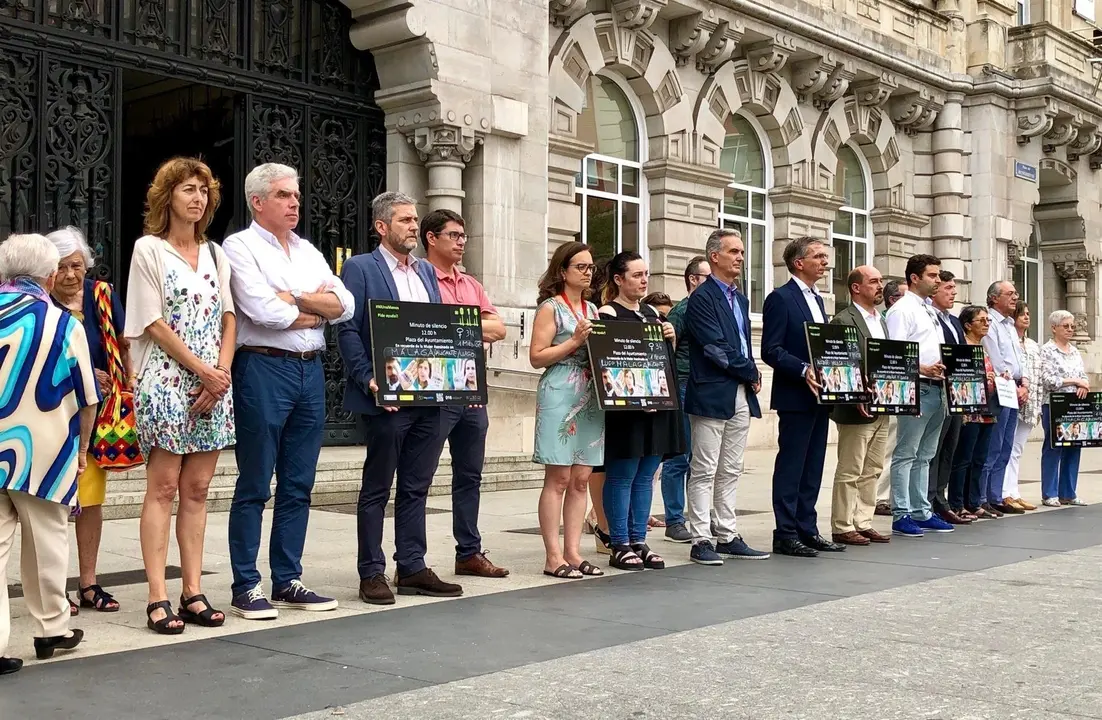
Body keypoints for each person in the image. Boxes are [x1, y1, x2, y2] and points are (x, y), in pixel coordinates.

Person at [222, 162, 353, 620]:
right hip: (263, 368)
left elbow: (345, 304)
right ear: (257, 201)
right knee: (255, 481)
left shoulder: (307, 250)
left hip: (309, 370)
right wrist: (314, 308)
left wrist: (293, 298)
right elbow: (262, 311)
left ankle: (287, 579)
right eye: (283, 195)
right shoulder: (239, 247)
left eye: (295, 194)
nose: (295, 202)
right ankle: (246, 584)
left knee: (299, 482)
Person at [125, 157, 235, 634]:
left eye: (203, 190)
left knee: (198, 489)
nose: (198, 197)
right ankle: (157, 594)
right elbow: (152, 321)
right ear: (167, 196)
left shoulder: (215, 253)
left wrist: (221, 373)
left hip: (214, 385)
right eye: (188, 188)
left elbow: (230, 316)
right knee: (164, 487)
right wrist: (202, 371)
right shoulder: (149, 249)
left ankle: (193, 590)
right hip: (168, 381)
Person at [338, 191, 461, 604]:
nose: (414, 226)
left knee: (416, 485)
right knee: (377, 487)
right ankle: (371, 571)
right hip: (386, 398)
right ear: (382, 226)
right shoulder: (360, 268)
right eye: (405, 220)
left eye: (415, 219)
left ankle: (411, 566)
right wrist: (367, 377)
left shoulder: (425, 272)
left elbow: (437, 330)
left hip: (429, 396)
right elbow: (348, 328)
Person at [0, 233, 99, 674]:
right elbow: (88, 396)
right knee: (47, 542)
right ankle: (51, 629)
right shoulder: (62, 324)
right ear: (50, 275)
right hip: (44, 450)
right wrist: (82, 449)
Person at [46, 227, 130, 615]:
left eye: (76, 265)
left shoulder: (102, 295)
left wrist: (125, 380)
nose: (69, 274)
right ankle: (53, 588)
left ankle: (89, 584)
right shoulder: (40, 301)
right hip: (54, 414)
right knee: (53, 505)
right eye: (61, 267)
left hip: (98, 419)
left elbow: (124, 345)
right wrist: (79, 374)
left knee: (91, 501)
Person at [421, 208, 510, 578]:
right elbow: (423, 326)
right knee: (419, 475)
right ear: (431, 238)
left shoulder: (470, 284)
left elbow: (499, 329)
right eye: (454, 235)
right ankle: (411, 560)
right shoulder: (418, 277)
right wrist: (470, 324)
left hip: (471, 387)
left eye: (463, 236)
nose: (461, 242)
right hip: (433, 386)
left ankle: (469, 552)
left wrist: (454, 323)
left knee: (470, 474)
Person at [683, 229, 768, 565]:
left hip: (740, 392)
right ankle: (700, 538)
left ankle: (727, 534)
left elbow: (742, 343)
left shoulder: (740, 299)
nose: (741, 258)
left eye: (742, 252)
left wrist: (750, 373)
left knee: (731, 468)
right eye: (734, 251)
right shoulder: (702, 298)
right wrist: (751, 371)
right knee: (704, 468)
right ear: (714, 256)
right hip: (711, 391)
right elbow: (715, 348)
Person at [597, 251, 683, 571]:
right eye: (637, 275)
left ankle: (638, 539)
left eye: (646, 274)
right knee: (623, 474)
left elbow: (662, 361)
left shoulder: (651, 314)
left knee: (646, 475)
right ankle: (618, 542)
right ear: (619, 279)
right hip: (627, 409)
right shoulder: (607, 313)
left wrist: (671, 339)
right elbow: (607, 362)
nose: (644, 280)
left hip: (657, 405)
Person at [761, 237, 844, 557]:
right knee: (792, 465)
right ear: (798, 263)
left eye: (825, 256)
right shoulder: (780, 298)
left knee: (813, 465)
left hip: (820, 396)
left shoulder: (818, 299)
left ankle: (807, 528)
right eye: (818, 256)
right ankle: (785, 533)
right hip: (795, 394)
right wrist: (803, 369)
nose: (825, 262)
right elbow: (771, 349)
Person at [529, 241, 605, 579]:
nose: (588, 273)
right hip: (560, 390)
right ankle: (553, 556)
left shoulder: (593, 309)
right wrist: (573, 341)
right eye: (581, 267)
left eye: (591, 267)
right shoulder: (551, 308)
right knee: (558, 478)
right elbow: (536, 357)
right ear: (563, 271)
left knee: (581, 478)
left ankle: (573, 552)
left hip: (590, 394)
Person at [885, 254, 955, 538]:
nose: (937, 280)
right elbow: (894, 353)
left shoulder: (929, 310)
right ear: (915, 278)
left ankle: (921, 510)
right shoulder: (902, 310)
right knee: (906, 452)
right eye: (932, 275)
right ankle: (901, 512)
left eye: (938, 275)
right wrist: (922, 368)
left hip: (937, 386)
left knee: (925, 454)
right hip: (917, 386)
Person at [828, 265, 892, 546]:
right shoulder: (844, 320)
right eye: (874, 281)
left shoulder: (881, 320)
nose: (880, 286)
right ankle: (842, 525)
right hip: (856, 408)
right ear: (856, 288)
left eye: (881, 281)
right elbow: (840, 363)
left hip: (882, 404)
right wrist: (856, 396)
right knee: (850, 469)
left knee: (873, 467)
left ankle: (863, 521)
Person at [659, 255, 710, 543]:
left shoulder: (709, 307)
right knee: (679, 456)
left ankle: (699, 517)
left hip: (704, 386)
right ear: (693, 279)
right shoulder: (682, 310)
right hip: (683, 385)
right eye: (707, 277)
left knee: (701, 458)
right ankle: (675, 520)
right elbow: (668, 349)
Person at [980, 281, 1027, 515]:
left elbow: (1019, 356)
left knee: (1006, 445)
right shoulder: (990, 322)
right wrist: (1011, 383)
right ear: (994, 298)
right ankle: (983, 496)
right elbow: (996, 358)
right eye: (1010, 294)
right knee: (994, 445)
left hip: (1014, 388)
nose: (1015, 297)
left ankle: (997, 495)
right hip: (1000, 388)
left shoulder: (1009, 324)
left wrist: (1024, 382)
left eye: (1015, 293)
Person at [948, 306, 999, 519]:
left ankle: (974, 501)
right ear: (968, 325)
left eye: (988, 320)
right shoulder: (963, 347)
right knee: (963, 458)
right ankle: (957, 503)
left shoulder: (983, 348)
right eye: (981, 320)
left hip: (987, 408)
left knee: (980, 458)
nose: (986, 324)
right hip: (969, 411)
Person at [928, 270, 970, 525]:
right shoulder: (930, 318)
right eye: (948, 288)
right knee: (932, 449)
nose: (953, 292)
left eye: (955, 288)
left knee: (949, 449)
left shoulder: (953, 321)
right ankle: (929, 499)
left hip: (956, 393)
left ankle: (941, 499)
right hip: (937, 388)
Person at [1039, 310, 1090, 506]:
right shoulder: (1047, 350)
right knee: (1054, 447)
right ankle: (1050, 493)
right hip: (1055, 404)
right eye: (1066, 326)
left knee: (1075, 446)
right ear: (1054, 328)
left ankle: (1068, 492)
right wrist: (1074, 381)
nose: (1070, 329)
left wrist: (1083, 385)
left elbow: (1083, 375)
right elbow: (1048, 380)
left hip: (1075, 404)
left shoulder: (1074, 351)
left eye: (1072, 326)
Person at [1001, 301, 1039, 511]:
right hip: (1012, 396)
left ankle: (1013, 491)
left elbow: (1037, 374)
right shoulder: (1009, 339)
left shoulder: (1032, 344)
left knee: (1017, 449)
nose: (1026, 317)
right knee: (1006, 447)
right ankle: (1004, 492)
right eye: (1021, 313)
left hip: (1030, 401)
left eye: (1028, 313)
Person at [874, 279, 908, 515]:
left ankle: (887, 495)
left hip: (901, 387)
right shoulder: (888, 319)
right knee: (886, 446)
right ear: (893, 299)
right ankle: (880, 497)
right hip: (888, 387)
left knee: (896, 445)